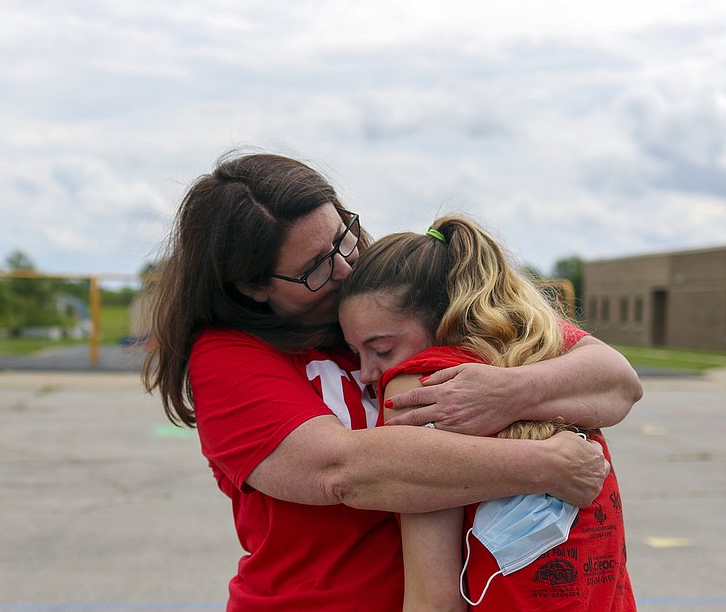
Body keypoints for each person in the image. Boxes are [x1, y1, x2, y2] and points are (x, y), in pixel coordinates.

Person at [141, 152, 641, 612]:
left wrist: (507, 392)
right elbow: (342, 471)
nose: (345, 267)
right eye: (315, 267)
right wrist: (545, 465)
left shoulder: (393, 301)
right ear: (252, 286)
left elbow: (616, 381)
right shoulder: (229, 355)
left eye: (343, 237)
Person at [339, 215, 636, 611]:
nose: (366, 373)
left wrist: (507, 395)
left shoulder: (419, 387)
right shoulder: (547, 352)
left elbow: (434, 596)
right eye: (356, 352)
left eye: (381, 348)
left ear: (445, 316)